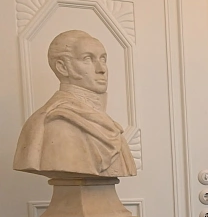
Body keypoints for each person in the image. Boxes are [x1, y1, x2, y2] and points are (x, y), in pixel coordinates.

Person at [14, 30, 136, 179]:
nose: (101, 69)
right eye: (87, 59)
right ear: (63, 67)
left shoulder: (111, 126)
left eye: (103, 59)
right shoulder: (53, 123)